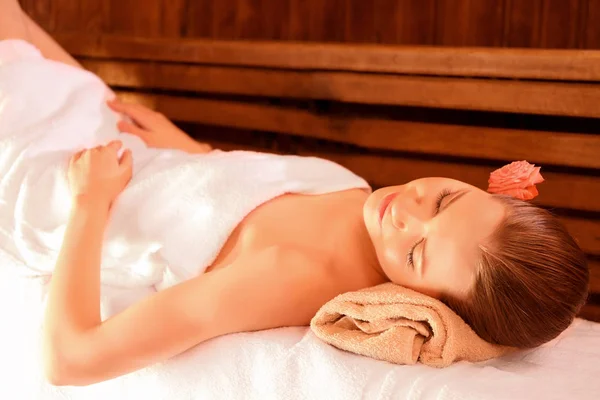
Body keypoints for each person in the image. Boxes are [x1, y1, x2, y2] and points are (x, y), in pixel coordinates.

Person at [1, 0, 589, 387]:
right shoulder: (358, 196)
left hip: (54, 181)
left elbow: (70, 360)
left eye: (416, 254)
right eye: (444, 201)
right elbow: (241, 201)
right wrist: (189, 147)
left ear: (427, 304)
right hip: (118, 145)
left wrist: (87, 202)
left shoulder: (288, 275)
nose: (404, 212)